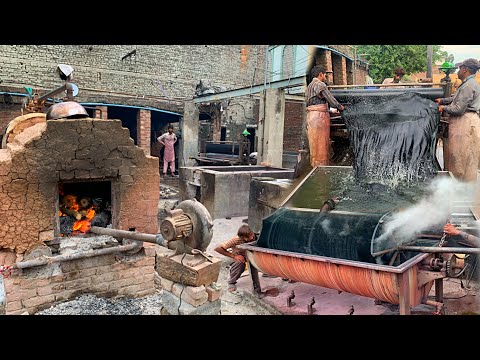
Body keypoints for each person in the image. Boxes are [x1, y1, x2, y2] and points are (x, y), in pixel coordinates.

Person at [435, 58, 480, 182]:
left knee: (461, 158)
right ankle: (464, 189)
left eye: (460, 68)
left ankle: (461, 190)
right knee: (465, 158)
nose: (458, 71)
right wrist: (442, 100)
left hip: (465, 122)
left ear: (465, 69)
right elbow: (456, 98)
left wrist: (442, 108)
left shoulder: (468, 86)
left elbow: (459, 109)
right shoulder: (468, 84)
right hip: (466, 121)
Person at [305, 65, 345, 168]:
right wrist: (340, 107)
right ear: (320, 74)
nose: (325, 77)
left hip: (311, 117)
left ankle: (314, 167)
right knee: (321, 145)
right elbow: (330, 99)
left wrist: (331, 111)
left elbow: (314, 103)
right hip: (319, 118)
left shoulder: (309, 87)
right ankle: (322, 169)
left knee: (314, 146)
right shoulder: (320, 84)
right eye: (325, 75)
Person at [214, 224, 256, 292]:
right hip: (240, 256)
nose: (251, 237)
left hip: (252, 255)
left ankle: (266, 273)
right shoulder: (236, 240)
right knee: (239, 264)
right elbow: (218, 248)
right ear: (242, 238)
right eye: (248, 237)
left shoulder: (255, 236)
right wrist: (234, 256)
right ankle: (231, 282)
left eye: (251, 234)